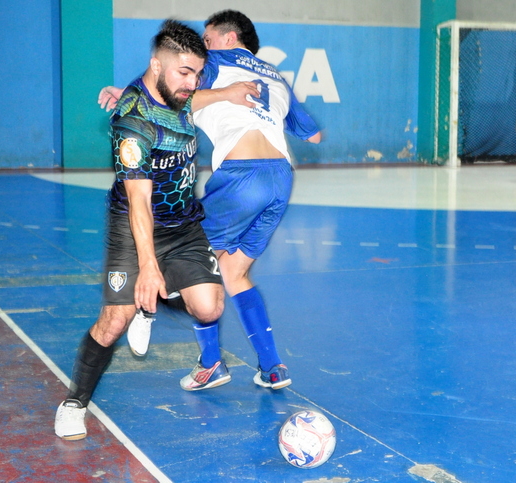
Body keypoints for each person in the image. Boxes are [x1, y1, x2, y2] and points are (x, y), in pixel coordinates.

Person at [99, 10, 321, 392]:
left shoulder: (214, 62)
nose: (202, 48)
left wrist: (131, 95)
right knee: (234, 273)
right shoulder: (275, 76)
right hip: (281, 179)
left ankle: (206, 359)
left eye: (207, 39)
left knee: (187, 257)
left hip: (242, 176)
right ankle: (272, 367)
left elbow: (166, 88)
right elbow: (312, 135)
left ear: (229, 38)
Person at [54, 19, 242, 441]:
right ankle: (74, 403)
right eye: (185, 73)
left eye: (198, 73)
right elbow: (139, 201)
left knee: (209, 308)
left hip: (183, 223)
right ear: (157, 65)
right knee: (114, 320)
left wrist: (226, 93)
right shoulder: (132, 123)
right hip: (134, 223)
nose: (193, 83)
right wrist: (149, 267)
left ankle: (149, 302)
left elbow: (191, 100)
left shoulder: (179, 92)